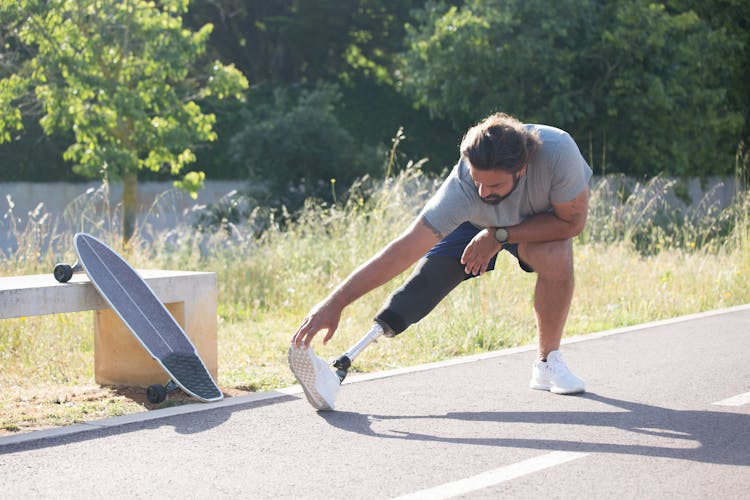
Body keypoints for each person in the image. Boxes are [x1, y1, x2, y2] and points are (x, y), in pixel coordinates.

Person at [289, 112, 592, 410]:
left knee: (558, 256)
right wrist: (336, 302)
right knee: (427, 283)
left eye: (495, 186)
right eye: (478, 183)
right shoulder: (462, 188)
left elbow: (572, 224)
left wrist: (499, 235)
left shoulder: (558, 153)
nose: (484, 193)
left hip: (534, 225)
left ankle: (547, 362)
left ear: (521, 170)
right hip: (474, 225)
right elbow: (403, 249)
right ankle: (340, 367)